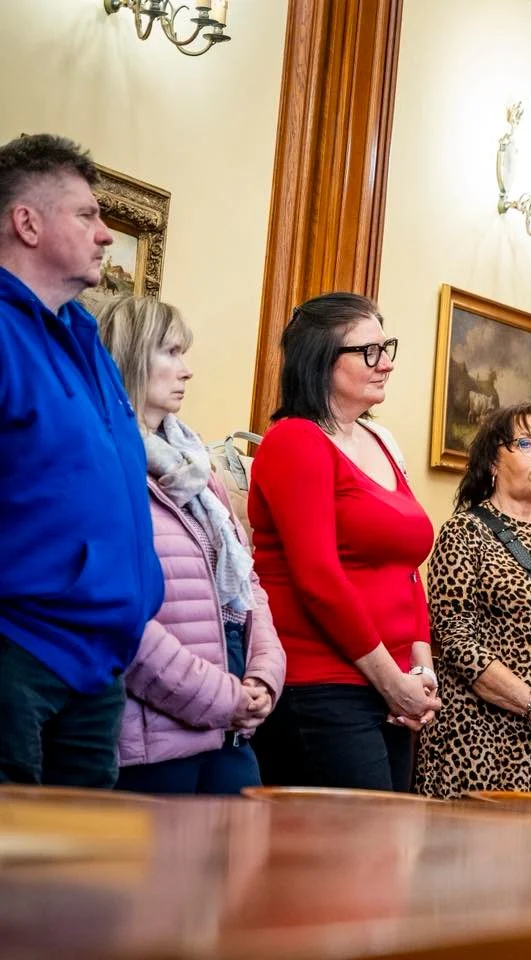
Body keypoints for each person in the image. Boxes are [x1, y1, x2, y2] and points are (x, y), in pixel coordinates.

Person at [0, 134, 164, 787]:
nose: (105, 234)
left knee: (84, 885)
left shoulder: (85, 337)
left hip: (100, 666)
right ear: (27, 223)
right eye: (87, 216)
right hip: (19, 654)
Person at [248, 292, 440, 792]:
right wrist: (391, 681)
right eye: (370, 351)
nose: (388, 363)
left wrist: (421, 673)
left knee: (387, 852)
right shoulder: (294, 440)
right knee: (348, 859)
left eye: (387, 346)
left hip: (391, 685)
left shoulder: (378, 441)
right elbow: (318, 579)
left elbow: (408, 568)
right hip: (323, 687)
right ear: (321, 361)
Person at [96, 296, 286, 794]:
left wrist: (264, 676)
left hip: (231, 731)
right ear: (133, 357)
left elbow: (247, 583)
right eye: (172, 353)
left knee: (244, 868)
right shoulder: (105, 463)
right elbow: (122, 624)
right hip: (155, 742)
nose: (187, 370)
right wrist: (220, 696)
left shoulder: (198, 465)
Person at [415, 404, 531, 798]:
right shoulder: (464, 532)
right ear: (493, 461)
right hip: (476, 740)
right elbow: (456, 642)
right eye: (527, 443)